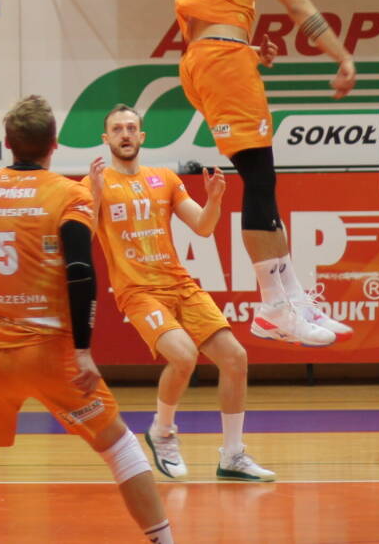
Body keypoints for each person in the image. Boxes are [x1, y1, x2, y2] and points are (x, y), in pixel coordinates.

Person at [0, 96, 174, 544]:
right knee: (119, 447)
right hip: (52, 354)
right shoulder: (69, 194)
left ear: (7, 143)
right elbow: (80, 270)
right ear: (54, 144)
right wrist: (84, 349)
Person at [176, 0, 357, 348]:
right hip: (221, 61)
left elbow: (206, 19)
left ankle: (292, 299)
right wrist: (341, 55)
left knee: (263, 181)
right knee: (259, 181)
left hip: (209, 59)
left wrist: (249, 49)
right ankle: (274, 308)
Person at [88, 102, 274, 483]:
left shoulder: (165, 179)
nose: (125, 134)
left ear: (142, 136)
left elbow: (203, 227)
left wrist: (214, 200)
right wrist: (92, 194)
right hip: (139, 291)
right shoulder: (97, 183)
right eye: (117, 129)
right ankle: (162, 432)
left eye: (131, 128)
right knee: (184, 356)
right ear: (106, 138)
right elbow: (85, 231)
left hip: (180, 284)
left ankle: (233, 456)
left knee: (235, 359)